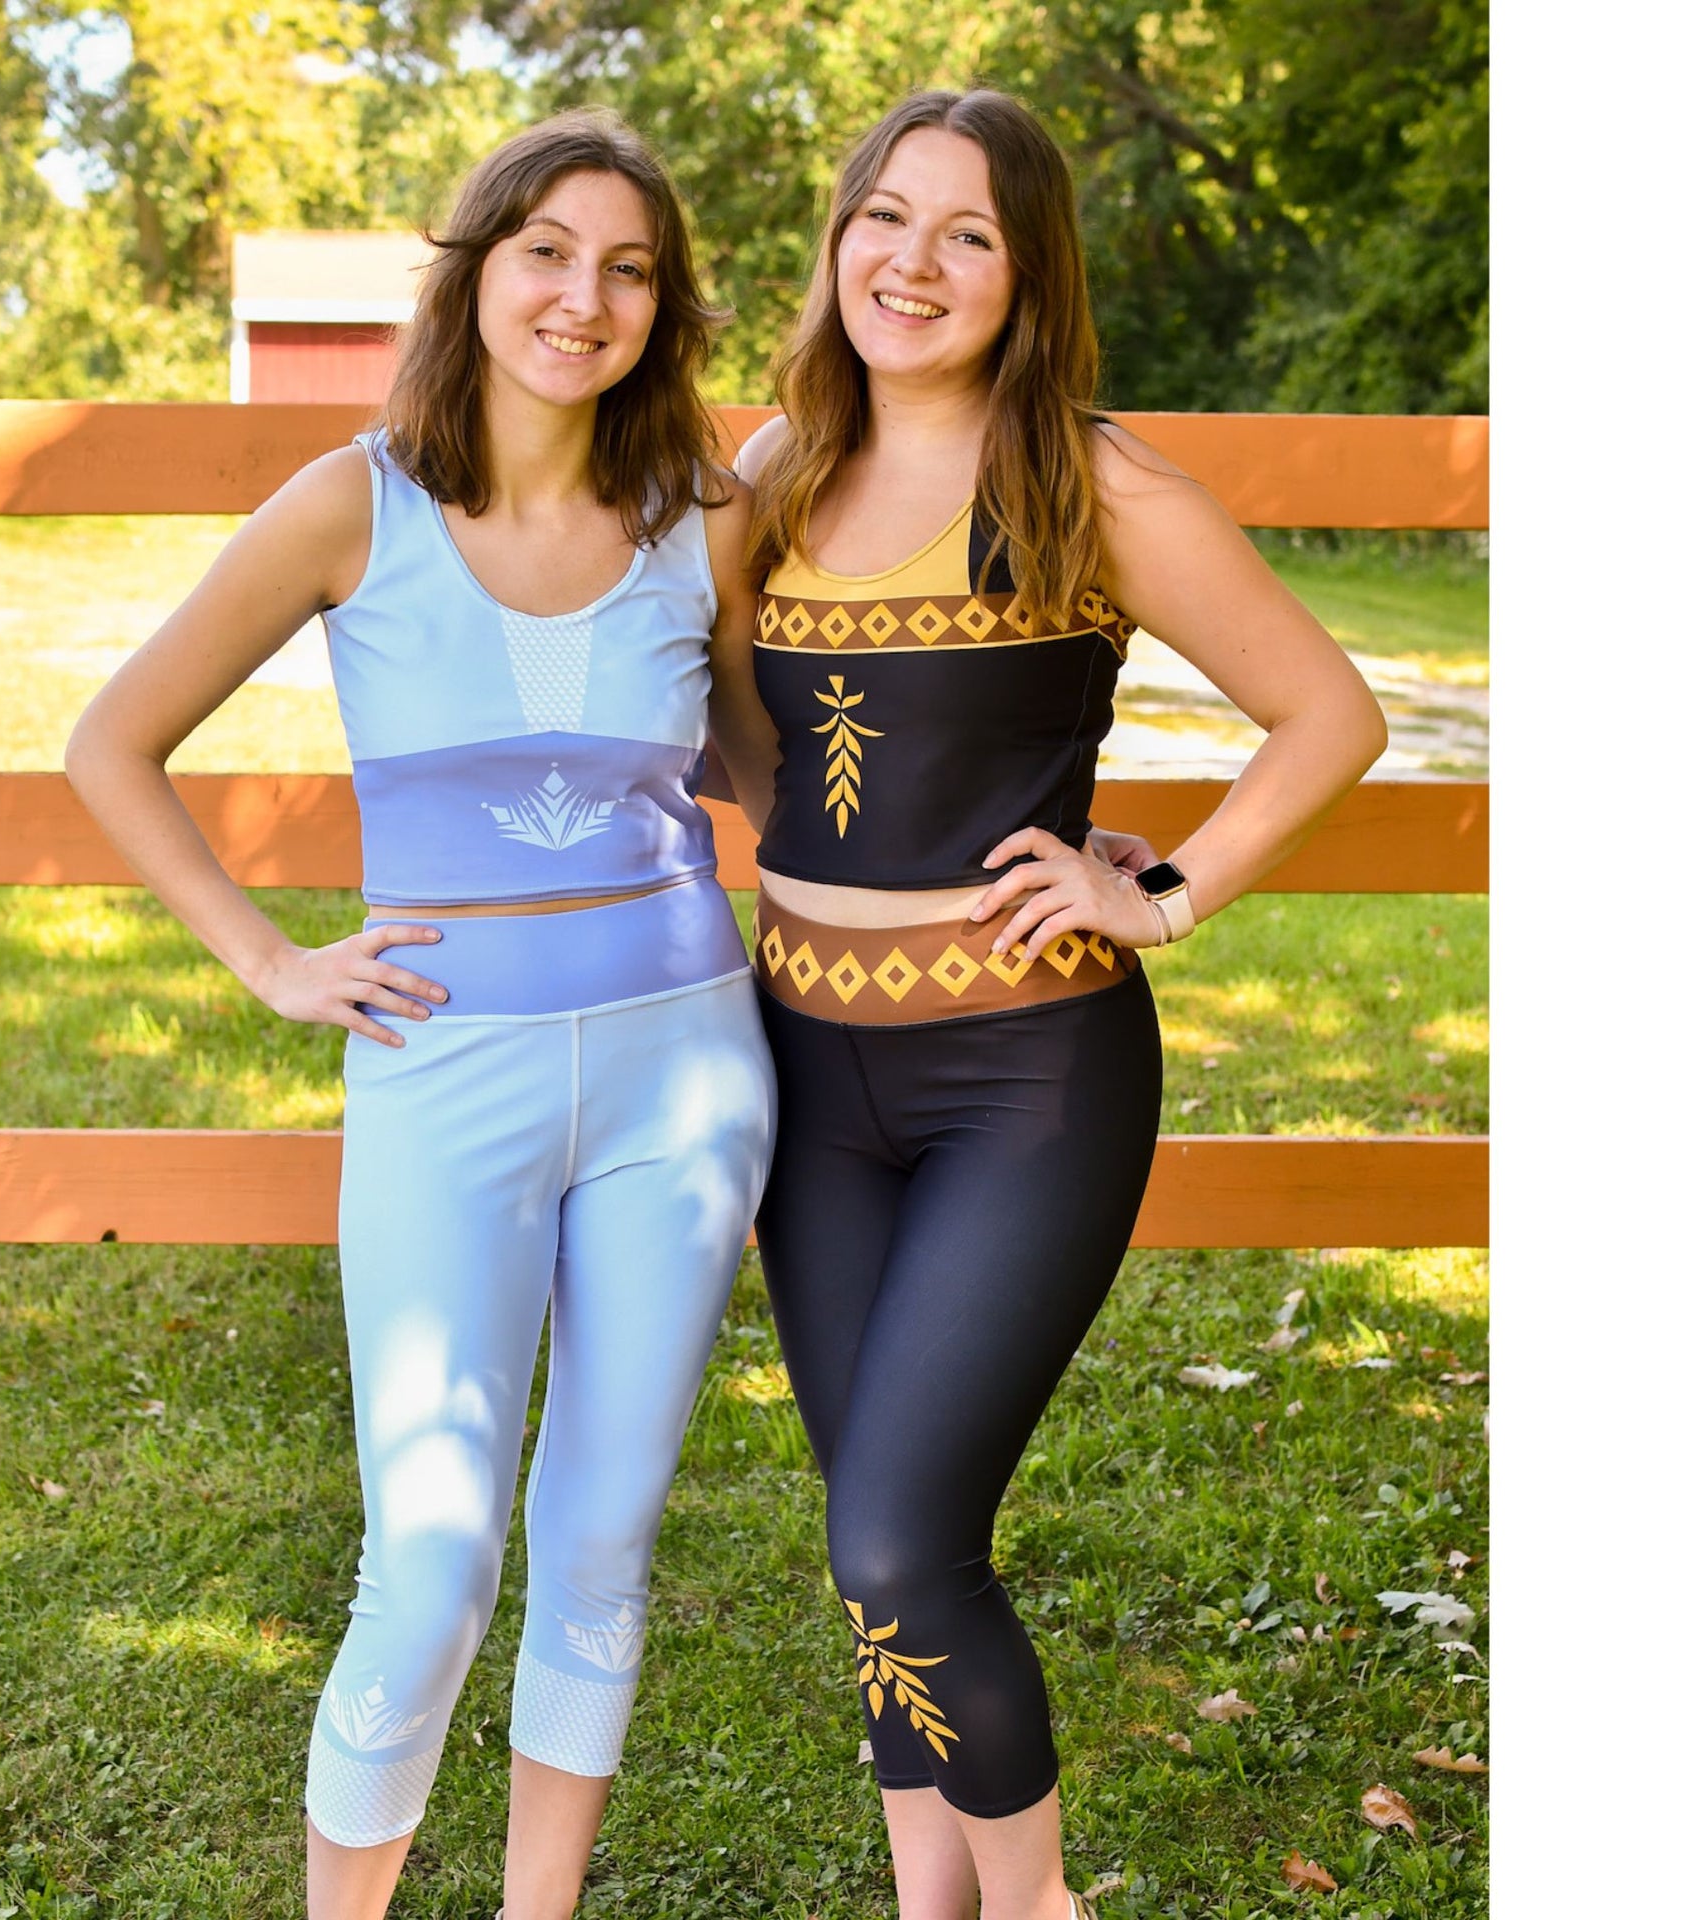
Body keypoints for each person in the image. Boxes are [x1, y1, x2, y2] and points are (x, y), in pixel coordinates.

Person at [64, 111, 777, 1920]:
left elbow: (784, 781)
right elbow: (112, 742)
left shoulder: (707, 516)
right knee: (431, 1568)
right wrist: (272, 964)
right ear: (474, 271)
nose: (584, 298)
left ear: (664, 309)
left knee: (600, 1542)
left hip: (687, 1076)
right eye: (548, 251)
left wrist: (1024, 840)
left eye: (629, 269)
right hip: (442, 1076)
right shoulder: (353, 503)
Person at [721, 89, 1389, 1920]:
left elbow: (1329, 714)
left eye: (971, 234)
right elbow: (733, 731)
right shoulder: (772, 470)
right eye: (885, 215)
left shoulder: (1089, 485)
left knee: (897, 1539)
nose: (912, 262)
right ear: (838, 239)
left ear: (1030, 277)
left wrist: (1159, 892)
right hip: (807, 1074)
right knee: (880, 1557)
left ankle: (1038, 1908)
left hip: (1022, 1081)